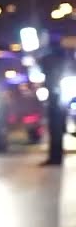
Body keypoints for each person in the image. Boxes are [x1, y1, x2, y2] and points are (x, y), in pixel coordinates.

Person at [39, 34, 70, 166]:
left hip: (56, 95)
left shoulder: (53, 59)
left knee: (55, 127)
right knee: (56, 127)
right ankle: (56, 156)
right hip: (57, 95)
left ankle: (55, 157)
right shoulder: (64, 58)